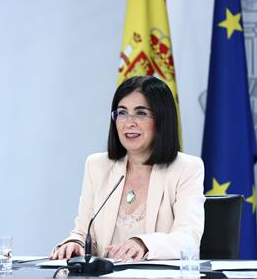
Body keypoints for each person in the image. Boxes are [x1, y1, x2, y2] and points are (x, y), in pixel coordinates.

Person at [50, 76, 205, 262]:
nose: (129, 122)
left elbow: (188, 239)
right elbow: (83, 232)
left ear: (162, 119)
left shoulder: (186, 169)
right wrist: (75, 243)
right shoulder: (97, 166)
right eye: (122, 113)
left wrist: (143, 244)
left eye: (141, 113)